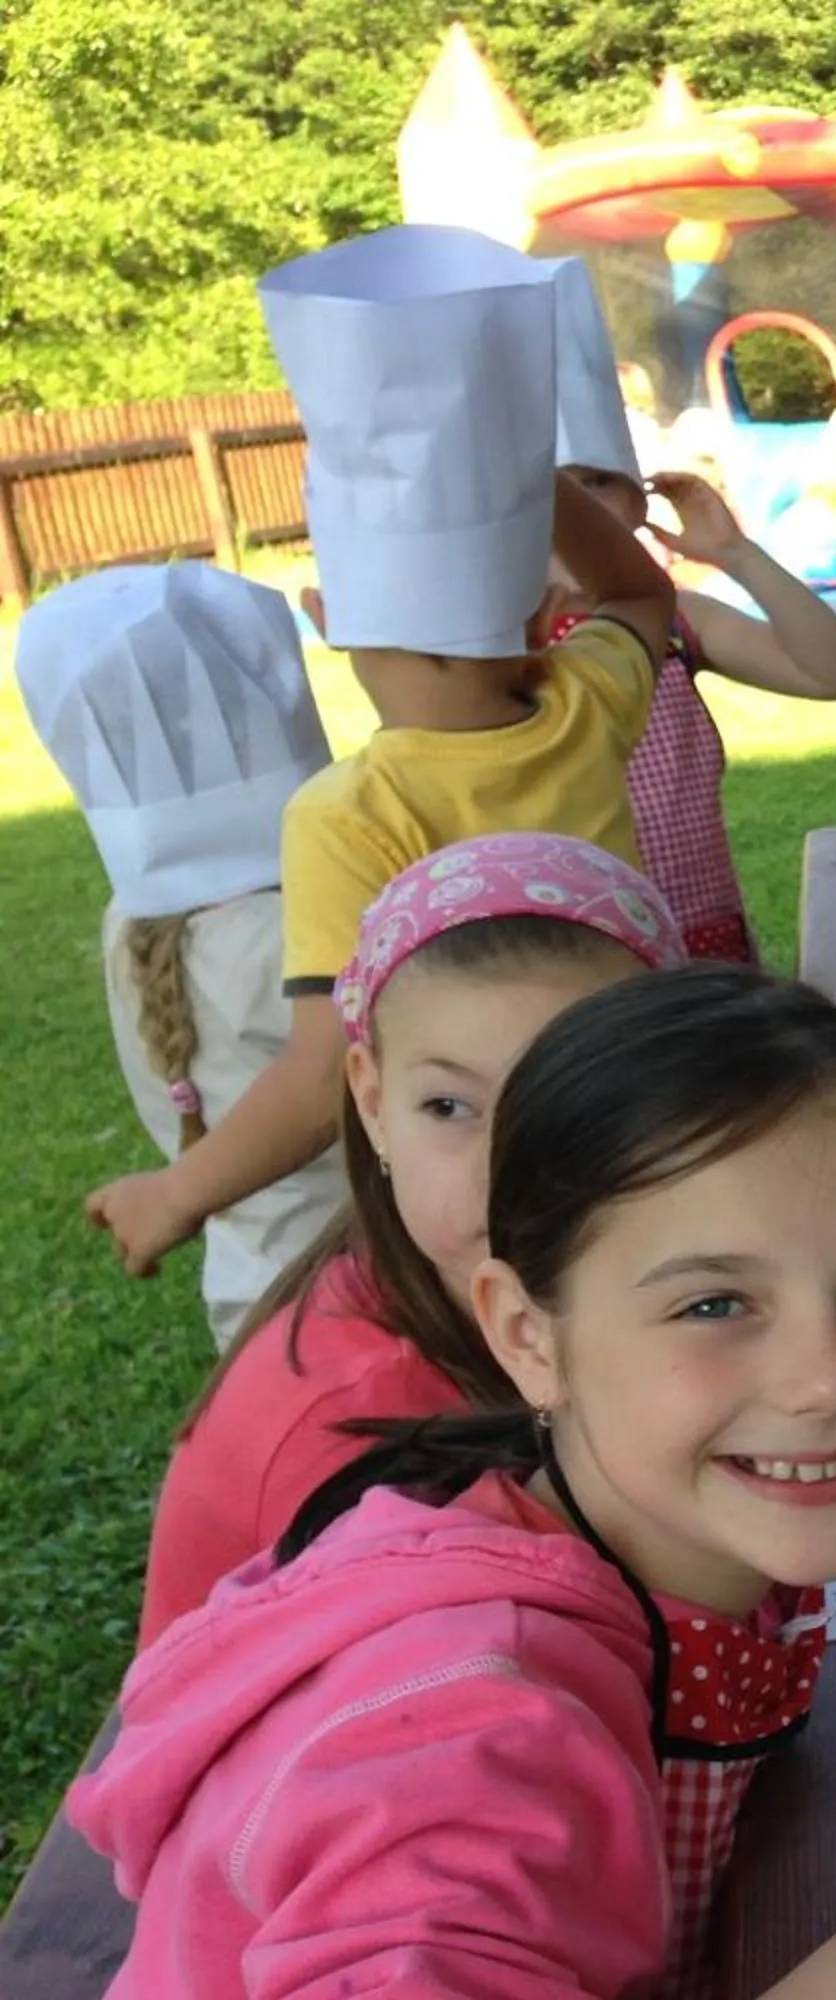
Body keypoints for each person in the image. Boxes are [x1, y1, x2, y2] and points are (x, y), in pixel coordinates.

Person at [74, 964, 836, 1999]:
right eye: (712, 1303)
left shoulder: (646, 1520)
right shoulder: (475, 1734)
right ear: (527, 1334)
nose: (829, 1374)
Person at [83, 225, 675, 1283]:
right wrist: (520, 480)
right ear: (547, 613)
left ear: (325, 617)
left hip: (491, 1162)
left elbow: (321, 1072)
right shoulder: (586, 701)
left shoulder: (347, 810)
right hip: (637, 1096)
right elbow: (640, 594)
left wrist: (174, 1191)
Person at [136, 834, 685, 1648]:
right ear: (371, 1101)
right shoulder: (355, 1444)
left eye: (582, 1100)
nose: (511, 1171)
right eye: (450, 1109)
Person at [13, 563, 345, 1347]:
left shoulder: (127, 921)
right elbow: (332, 1075)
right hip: (361, 1299)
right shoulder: (293, 937)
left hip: (249, 1297)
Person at [541, 259, 836, 964]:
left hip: (703, 948)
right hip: (579, 958)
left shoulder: (677, 624)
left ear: (638, 499)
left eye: (602, 482)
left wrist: (736, 554)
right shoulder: (505, 646)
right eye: (560, 490)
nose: (582, 510)